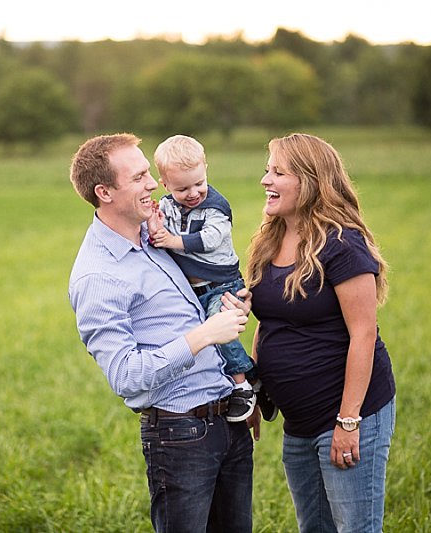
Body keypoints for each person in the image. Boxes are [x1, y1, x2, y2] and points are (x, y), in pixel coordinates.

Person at [68, 133, 255, 532]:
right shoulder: (98, 276)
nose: (153, 183)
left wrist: (232, 308)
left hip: (229, 422)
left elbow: (197, 301)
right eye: (138, 177)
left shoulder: (153, 238)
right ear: (104, 192)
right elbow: (128, 377)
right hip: (181, 435)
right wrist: (206, 334)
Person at [246, 133, 396, 533]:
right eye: (267, 170)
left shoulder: (343, 245)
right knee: (314, 528)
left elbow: (364, 334)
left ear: (310, 181)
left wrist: (349, 422)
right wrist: (256, 393)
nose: (265, 180)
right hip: (298, 422)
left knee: (355, 529)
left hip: (345, 415)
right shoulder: (270, 239)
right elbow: (269, 323)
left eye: (278, 172)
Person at [147, 134, 257, 423]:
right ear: (166, 185)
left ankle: (242, 385)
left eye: (199, 183)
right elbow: (159, 225)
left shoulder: (216, 206)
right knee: (203, 343)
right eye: (182, 188)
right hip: (194, 288)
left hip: (222, 284)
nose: (194, 192)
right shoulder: (168, 205)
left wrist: (172, 240)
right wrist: (155, 222)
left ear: (205, 169)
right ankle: (254, 376)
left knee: (219, 330)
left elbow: (210, 239)